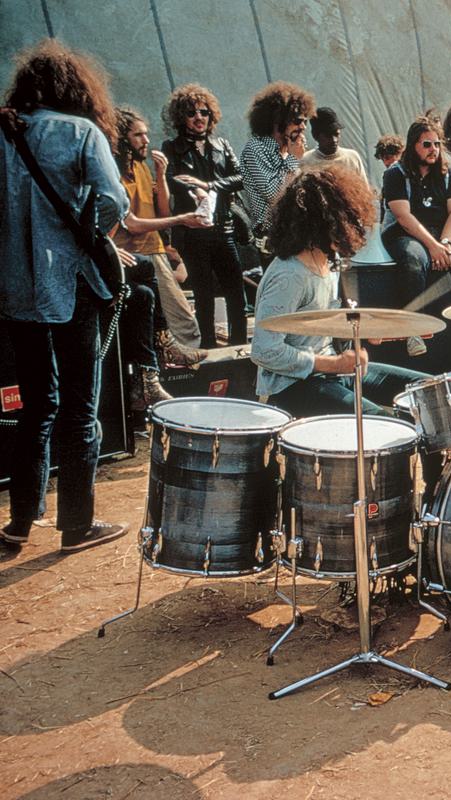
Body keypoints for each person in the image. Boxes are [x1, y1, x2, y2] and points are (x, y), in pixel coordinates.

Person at [0, 39, 130, 553]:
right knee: (80, 406)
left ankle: (18, 523)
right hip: (71, 285)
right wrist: (86, 238)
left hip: (12, 289)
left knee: (36, 405)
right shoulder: (81, 132)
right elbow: (113, 200)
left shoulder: (5, 132)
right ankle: (77, 525)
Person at [251, 165, 429, 417]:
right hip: (292, 387)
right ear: (320, 222)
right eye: (343, 220)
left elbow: (323, 326)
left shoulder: (327, 261)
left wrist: (370, 334)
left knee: (426, 392)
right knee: (385, 422)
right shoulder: (289, 275)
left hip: (333, 373)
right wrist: (334, 363)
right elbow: (264, 350)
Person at [381, 117, 451, 354]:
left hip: (441, 231)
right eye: (427, 145)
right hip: (404, 233)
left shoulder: (447, 173)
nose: (434, 150)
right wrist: (432, 246)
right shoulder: (395, 174)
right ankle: (413, 328)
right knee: (413, 262)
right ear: (413, 146)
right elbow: (404, 217)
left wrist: (444, 242)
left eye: (437, 144)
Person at [111, 106, 207, 367]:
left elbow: (161, 211)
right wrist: (180, 220)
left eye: (146, 134)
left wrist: (161, 176)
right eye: (138, 135)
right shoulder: (113, 173)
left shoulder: (143, 167)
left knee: (177, 323)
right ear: (122, 139)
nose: (146, 140)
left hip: (155, 250)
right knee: (183, 325)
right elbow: (132, 224)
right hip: (133, 253)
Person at [162, 83, 251, 347]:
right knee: (203, 294)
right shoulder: (172, 147)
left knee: (237, 292)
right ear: (181, 117)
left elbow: (242, 177)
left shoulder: (220, 144)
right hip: (193, 232)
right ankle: (208, 346)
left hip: (223, 229)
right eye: (191, 113)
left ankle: (238, 345)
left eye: (204, 112)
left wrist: (209, 186)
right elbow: (170, 179)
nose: (199, 117)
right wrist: (193, 188)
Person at [240, 81, 315, 264]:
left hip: (297, 232)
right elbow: (273, 194)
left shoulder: (290, 150)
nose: (303, 127)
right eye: (297, 120)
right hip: (272, 237)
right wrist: (293, 160)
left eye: (305, 121)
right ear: (277, 120)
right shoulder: (255, 149)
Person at [300, 107, 367, 180]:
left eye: (336, 134)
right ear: (315, 136)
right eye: (328, 135)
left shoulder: (352, 158)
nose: (334, 140)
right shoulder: (305, 162)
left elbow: (364, 190)